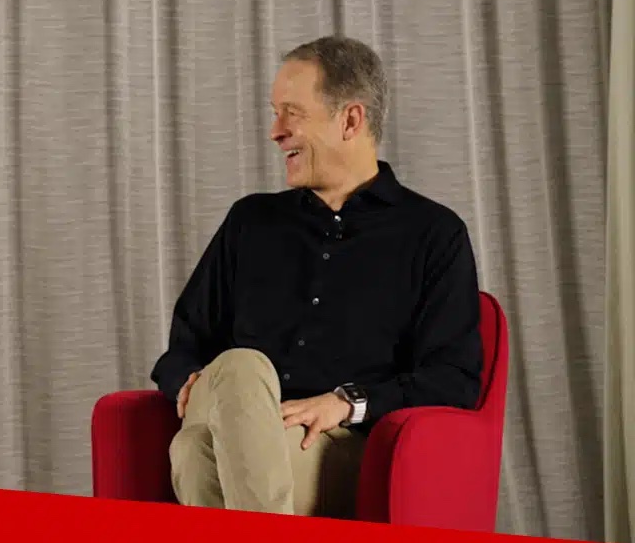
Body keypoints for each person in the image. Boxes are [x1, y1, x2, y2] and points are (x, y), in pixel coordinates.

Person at [151, 35, 483, 518]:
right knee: (239, 370)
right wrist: (192, 380)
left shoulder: (433, 233)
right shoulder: (250, 222)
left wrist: (346, 403)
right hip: (230, 420)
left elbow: (454, 380)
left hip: (334, 445)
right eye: (274, 112)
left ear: (351, 119)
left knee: (193, 455)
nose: (275, 131)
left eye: (292, 112)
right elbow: (183, 347)